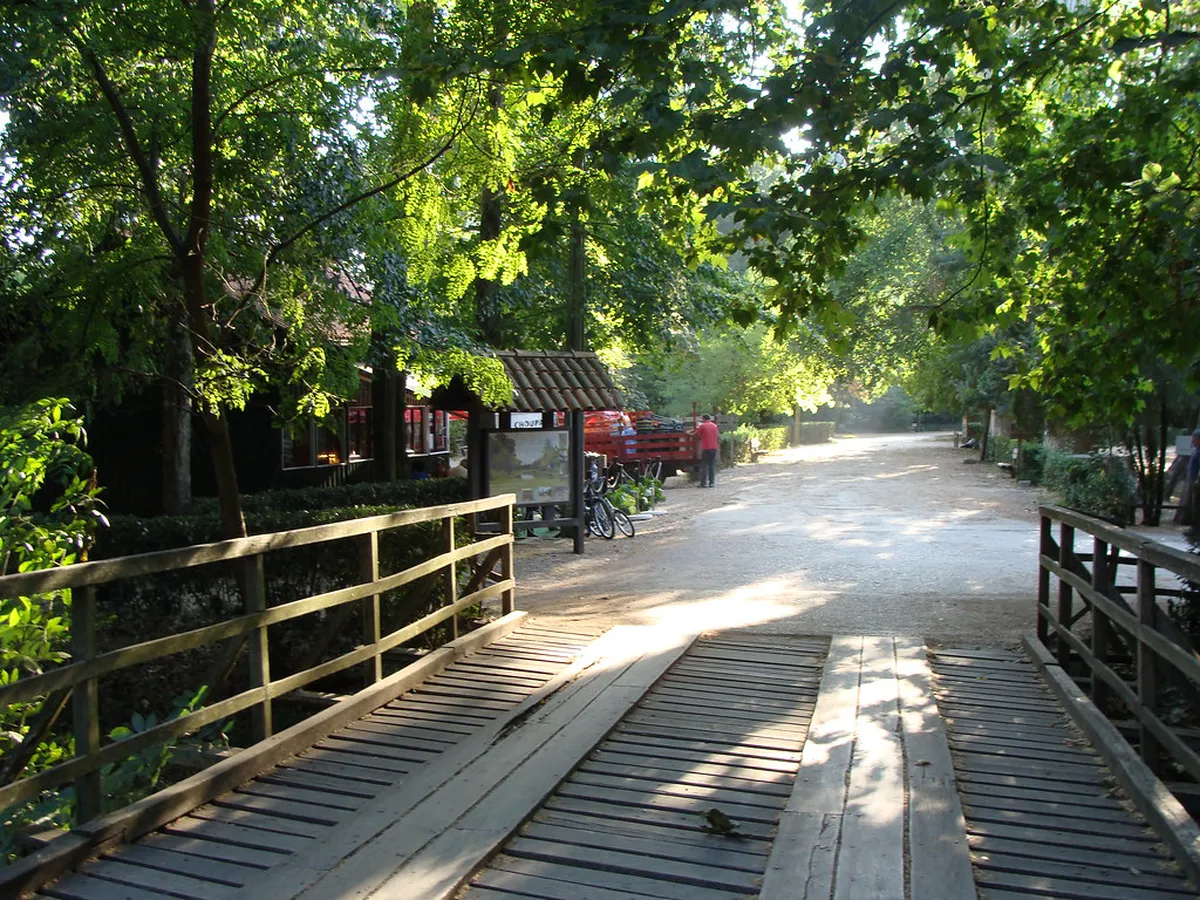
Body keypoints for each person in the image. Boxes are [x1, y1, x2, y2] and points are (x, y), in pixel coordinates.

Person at [696, 414, 719, 488]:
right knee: (712, 465)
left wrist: (702, 437)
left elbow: (698, 433)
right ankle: (712, 483)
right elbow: (717, 436)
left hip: (706, 447)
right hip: (714, 447)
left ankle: (704, 483)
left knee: (704, 466)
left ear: (703, 419)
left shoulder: (703, 426)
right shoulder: (715, 426)